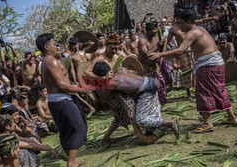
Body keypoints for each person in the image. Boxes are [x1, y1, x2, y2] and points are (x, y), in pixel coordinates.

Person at [148, 9, 237, 133]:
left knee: (202, 92)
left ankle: (207, 123)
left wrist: (160, 55)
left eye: (181, 23)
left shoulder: (193, 32)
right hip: (215, 63)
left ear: (188, 22)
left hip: (208, 64)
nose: (179, 26)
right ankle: (232, 118)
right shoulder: (200, 29)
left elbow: (180, 51)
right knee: (219, 89)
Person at [37, 33, 92, 167]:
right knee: (77, 126)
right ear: (46, 47)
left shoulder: (47, 61)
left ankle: (72, 160)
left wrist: (65, 58)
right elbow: (61, 85)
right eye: (54, 44)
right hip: (62, 100)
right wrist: (81, 89)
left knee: (66, 130)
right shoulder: (52, 62)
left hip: (56, 101)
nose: (57, 46)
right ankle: (71, 163)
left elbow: (64, 72)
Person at [92, 61, 180, 140]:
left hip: (146, 90)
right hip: (151, 82)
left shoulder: (111, 83)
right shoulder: (120, 70)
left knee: (141, 119)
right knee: (151, 119)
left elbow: (103, 94)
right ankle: (163, 128)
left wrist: (94, 81)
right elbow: (134, 71)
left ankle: (170, 122)